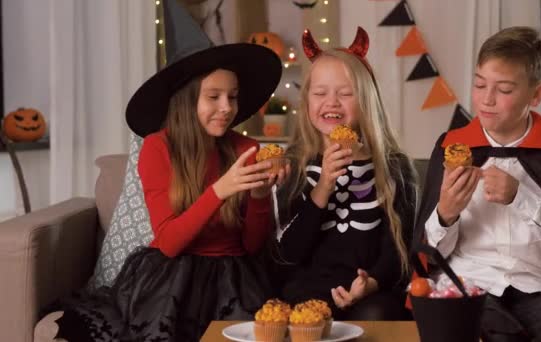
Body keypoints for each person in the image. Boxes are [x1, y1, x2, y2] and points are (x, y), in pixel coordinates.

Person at [40, 1, 284, 341]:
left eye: (233, 96)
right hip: (173, 276)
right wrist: (220, 190)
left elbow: (252, 245)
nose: (227, 108)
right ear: (187, 100)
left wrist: (259, 196)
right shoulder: (157, 148)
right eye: (213, 97)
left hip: (234, 276)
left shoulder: (246, 149)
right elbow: (169, 243)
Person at [414, 26, 541, 341]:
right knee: (496, 334)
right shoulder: (451, 147)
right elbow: (429, 254)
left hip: (538, 285)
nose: (486, 99)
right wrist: (446, 213)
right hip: (471, 280)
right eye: (479, 85)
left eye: (504, 90)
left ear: (536, 94)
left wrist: (520, 196)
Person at [274, 27, 417, 320]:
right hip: (305, 292)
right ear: (307, 102)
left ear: (366, 102)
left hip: (371, 293)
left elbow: (397, 252)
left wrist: (370, 283)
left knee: (380, 315)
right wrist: (324, 185)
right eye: (320, 93)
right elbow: (288, 254)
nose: (332, 102)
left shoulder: (394, 168)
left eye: (345, 93)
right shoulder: (293, 166)